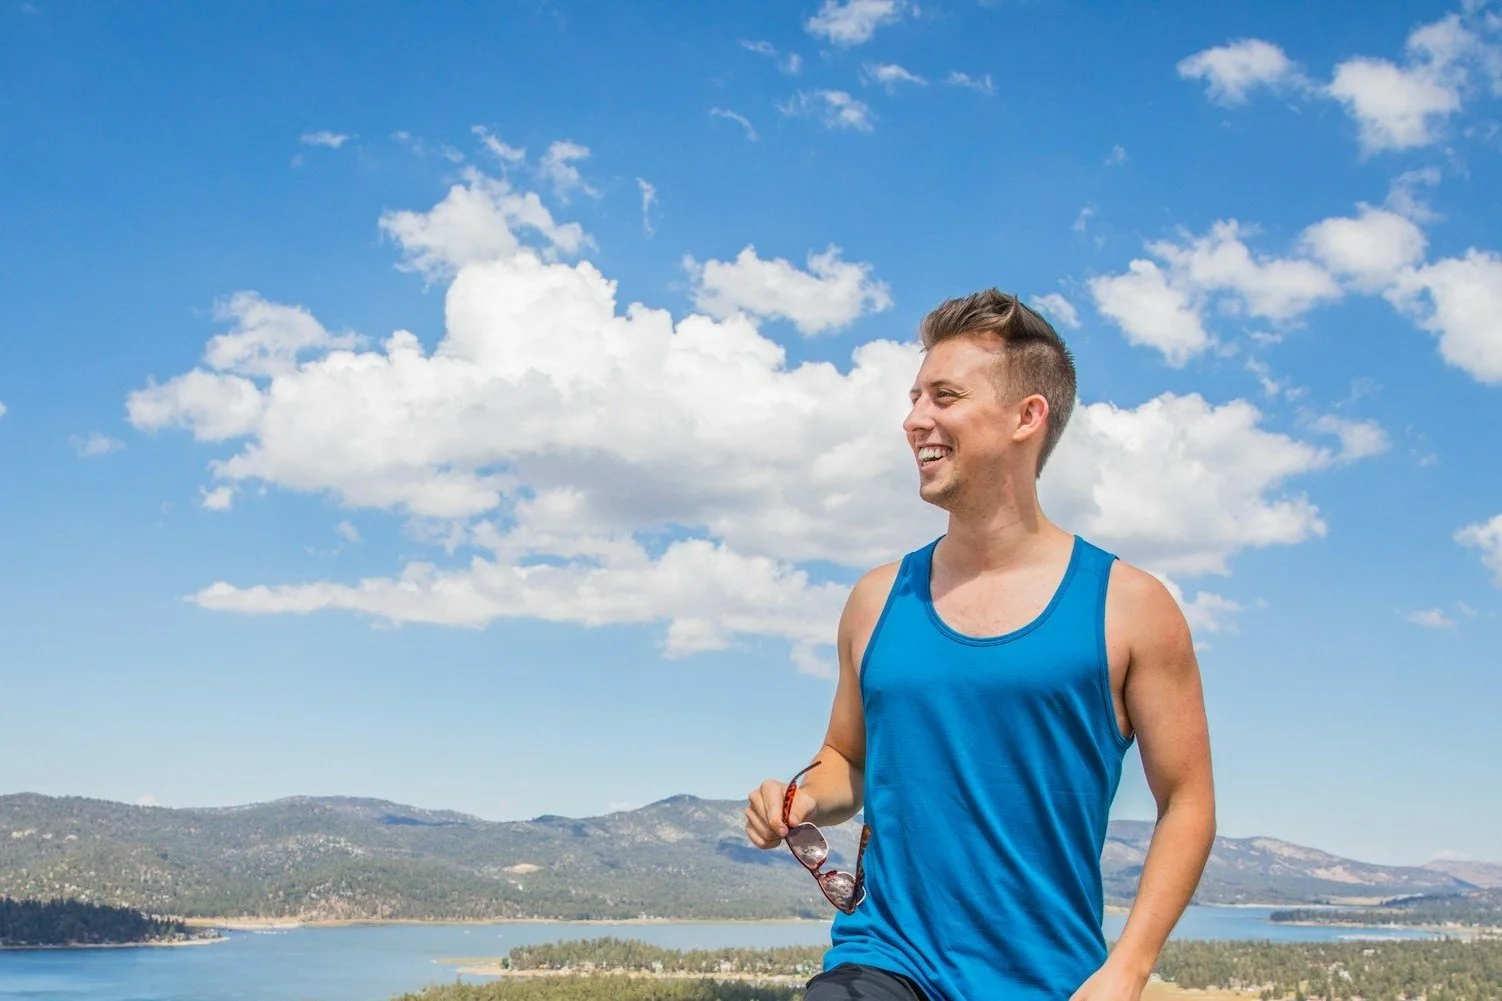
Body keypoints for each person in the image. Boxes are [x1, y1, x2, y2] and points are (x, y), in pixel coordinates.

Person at [743, 290, 1217, 1001]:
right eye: (913, 397)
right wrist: (801, 796)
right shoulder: (877, 600)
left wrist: (1127, 967)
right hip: (884, 960)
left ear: (1027, 416)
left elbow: (1187, 800)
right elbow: (850, 759)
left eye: (944, 396)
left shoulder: (1130, 607)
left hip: (1043, 979)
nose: (914, 419)